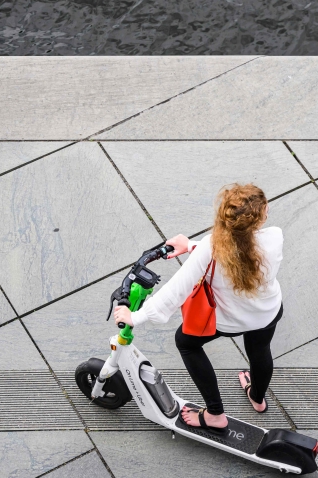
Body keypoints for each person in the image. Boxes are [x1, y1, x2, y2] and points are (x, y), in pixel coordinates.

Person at [113, 183, 283, 433]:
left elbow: (175, 291)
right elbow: (242, 253)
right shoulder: (276, 236)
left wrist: (134, 317)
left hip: (229, 321)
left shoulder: (211, 247)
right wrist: (193, 246)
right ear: (262, 214)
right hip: (267, 313)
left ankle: (215, 414)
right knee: (260, 349)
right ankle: (257, 398)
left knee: (186, 343)